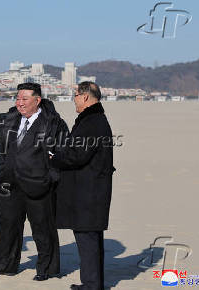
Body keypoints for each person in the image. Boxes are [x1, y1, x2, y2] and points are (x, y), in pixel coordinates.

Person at [0, 82, 68, 281]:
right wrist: (1, 170)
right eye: (17, 98)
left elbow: (64, 152)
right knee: (6, 225)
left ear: (37, 100)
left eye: (24, 99)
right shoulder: (10, 119)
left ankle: (46, 269)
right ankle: (4, 266)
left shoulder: (53, 122)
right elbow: (2, 151)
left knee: (42, 227)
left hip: (39, 184)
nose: (19, 103)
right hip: (10, 183)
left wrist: (51, 176)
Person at [50, 81, 115, 290]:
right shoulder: (94, 119)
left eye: (75, 96)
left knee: (87, 239)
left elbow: (78, 155)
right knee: (91, 239)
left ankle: (91, 285)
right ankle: (92, 283)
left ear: (85, 97)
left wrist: (54, 157)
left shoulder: (92, 122)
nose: (74, 100)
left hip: (88, 192)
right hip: (91, 190)